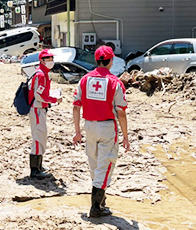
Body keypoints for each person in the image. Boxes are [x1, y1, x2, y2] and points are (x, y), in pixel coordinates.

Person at [72, 45, 129, 218]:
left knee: (95, 163)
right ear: (110, 61)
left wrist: (77, 131)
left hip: (89, 126)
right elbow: (121, 112)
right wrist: (126, 136)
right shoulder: (115, 82)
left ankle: (100, 201)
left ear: (96, 60)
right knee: (106, 164)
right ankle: (96, 206)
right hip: (107, 127)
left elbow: (75, 106)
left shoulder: (85, 80)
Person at [28, 49, 62, 179]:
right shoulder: (41, 75)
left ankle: (39, 166)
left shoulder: (43, 73)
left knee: (41, 137)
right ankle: (35, 170)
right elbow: (39, 95)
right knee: (38, 138)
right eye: (48, 58)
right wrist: (54, 100)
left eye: (52, 58)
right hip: (37, 109)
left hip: (39, 109)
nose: (51, 61)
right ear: (42, 60)